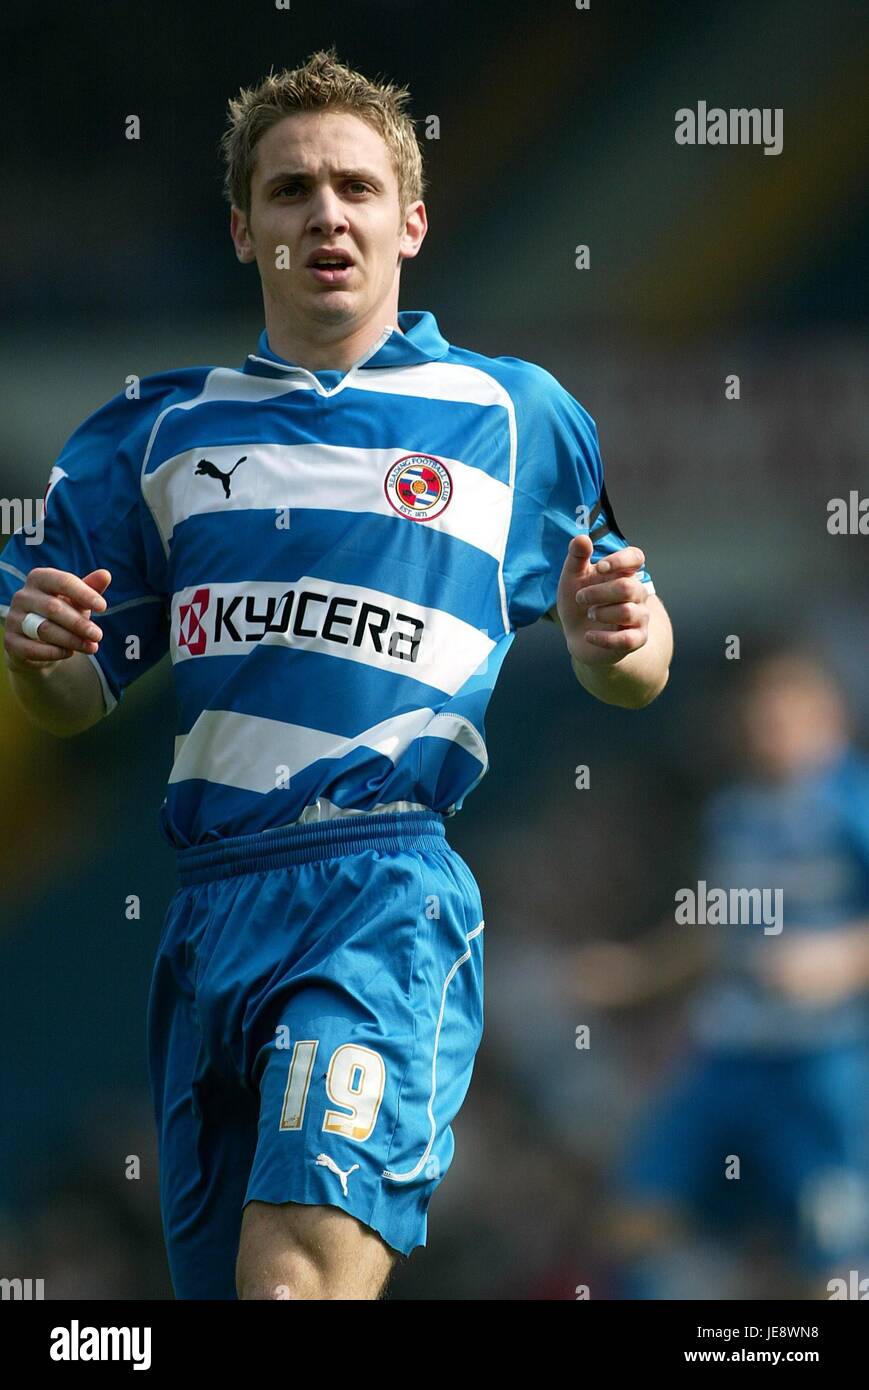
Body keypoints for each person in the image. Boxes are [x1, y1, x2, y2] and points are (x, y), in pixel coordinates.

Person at [0, 48, 672, 1300]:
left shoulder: (512, 414)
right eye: (293, 189)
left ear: (410, 219)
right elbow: (75, 692)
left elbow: (638, 662)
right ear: (244, 226)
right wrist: (43, 659)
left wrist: (613, 642)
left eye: (357, 188)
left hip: (381, 897)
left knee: (295, 1284)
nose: (327, 214)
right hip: (206, 917)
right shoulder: (155, 432)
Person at [572, 649, 869, 1298]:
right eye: (758, 711)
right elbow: (715, 928)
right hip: (724, 1056)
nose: (768, 725)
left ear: (828, 714)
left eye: (785, 709)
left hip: (821, 1065)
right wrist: (636, 973)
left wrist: (840, 958)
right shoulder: (733, 812)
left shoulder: (852, 805)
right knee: (635, 1219)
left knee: (835, 1261)